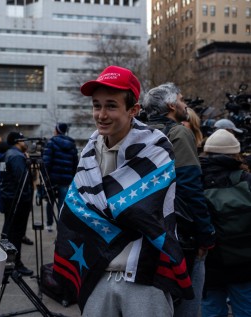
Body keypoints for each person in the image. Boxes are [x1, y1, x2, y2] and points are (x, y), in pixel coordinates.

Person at [54, 65, 193, 316]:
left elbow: (142, 212)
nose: (101, 114)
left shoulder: (156, 147)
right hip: (97, 272)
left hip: (143, 275)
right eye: (97, 105)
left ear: (133, 110)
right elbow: (74, 211)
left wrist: (99, 210)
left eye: (111, 105)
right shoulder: (88, 151)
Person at [142, 82, 216, 316]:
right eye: (182, 100)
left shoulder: (139, 131)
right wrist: (205, 233)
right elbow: (189, 185)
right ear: (172, 105)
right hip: (180, 231)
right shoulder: (178, 132)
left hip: (146, 226)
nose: (186, 105)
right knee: (188, 298)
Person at [199, 129, 251, 317]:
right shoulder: (245, 179)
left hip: (209, 259)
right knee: (246, 307)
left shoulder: (196, 179)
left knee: (211, 308)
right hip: (243, 261)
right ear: (235, 153)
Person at [0, 131, 34, 276]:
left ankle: (7, 261)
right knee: (16, 233)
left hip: (9, 197)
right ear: (17, 141)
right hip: (18, 199)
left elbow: (2, 173)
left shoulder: (7, 154)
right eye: (24, 140)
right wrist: (27, 197)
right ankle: (15, 264)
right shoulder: (17, 156)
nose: (26, 143)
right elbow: (23, 180)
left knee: (10, 230)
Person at [42, 122, 78, 232]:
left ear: (57, 130)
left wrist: (45, 177)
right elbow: (75, 164)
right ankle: (61, 226)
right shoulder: (72, 144)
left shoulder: (51, 142)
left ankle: (49, 224)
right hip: (66, 180)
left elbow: (46, 162)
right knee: (62, 204)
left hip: (52, 179)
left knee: (50, 202)